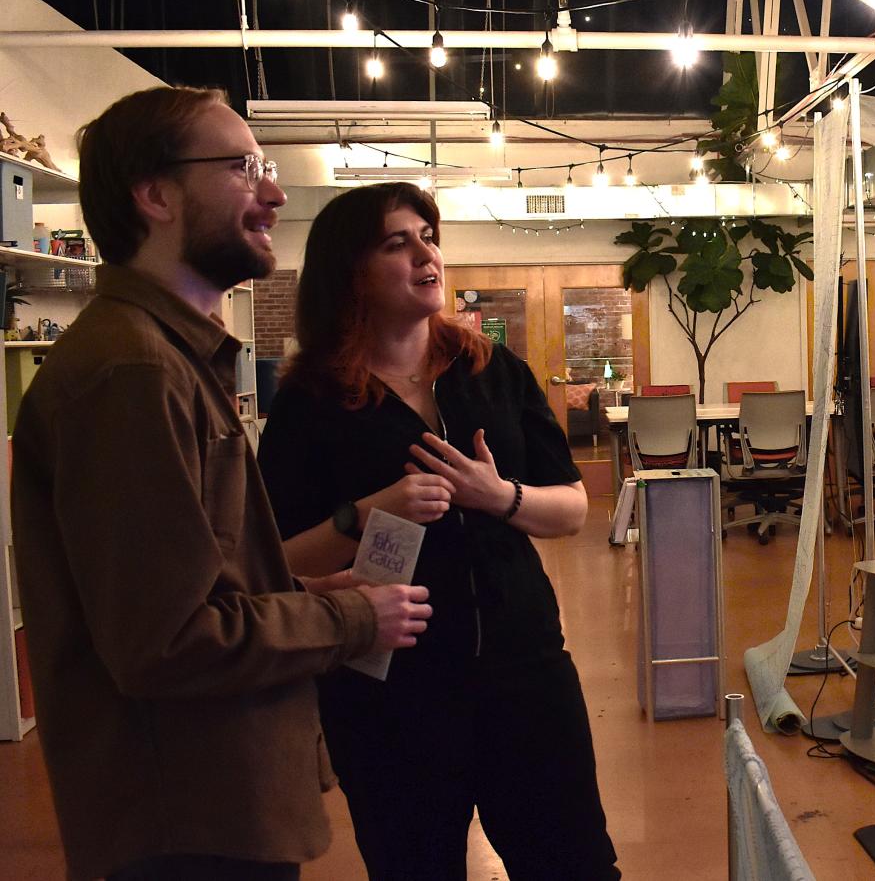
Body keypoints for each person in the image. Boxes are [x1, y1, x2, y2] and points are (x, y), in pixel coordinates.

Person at [10, 87, 433, 881]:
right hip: (184, 822)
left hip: (213, 806)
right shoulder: (134, 372)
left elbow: (197, 589)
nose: (273, 193)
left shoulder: (166, 358)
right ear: (155, 194)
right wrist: (346, 619)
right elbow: (164, 643)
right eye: (243, 168)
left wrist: (306, 599)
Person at [257, 183, 619, 881]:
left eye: (429, 234)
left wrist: (499, 495)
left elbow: (572, 507)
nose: (427, 252)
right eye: (398, 242)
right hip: (391, 691)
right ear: (350, 270)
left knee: (574, 865)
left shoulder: (493, 371)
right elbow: (276, 557)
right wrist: (366, 515)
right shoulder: (311, 402)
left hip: (526, 670)